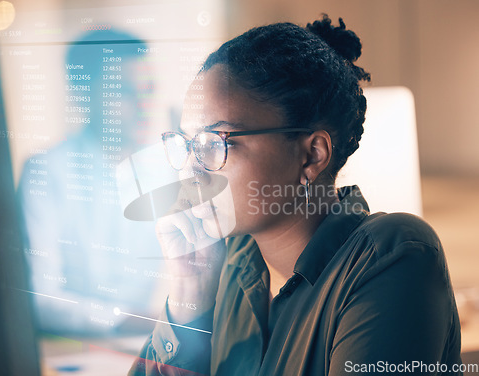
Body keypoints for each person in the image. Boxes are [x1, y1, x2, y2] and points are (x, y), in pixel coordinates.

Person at [128, 15, 462, 375]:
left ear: (312, 155)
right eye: (188, 144)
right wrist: (189, 289)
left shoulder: (392, 256)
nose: (189, 171)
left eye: (214, 142)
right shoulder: (231, 260)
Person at [18, 29, 171, 336]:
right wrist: (133, 320)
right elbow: (37, 297)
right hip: (62, 348)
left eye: (149, 89)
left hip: (141, 345)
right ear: (83, 94)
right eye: (126, 91)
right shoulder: (47, 171)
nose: (144, 105)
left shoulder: (166, 172)